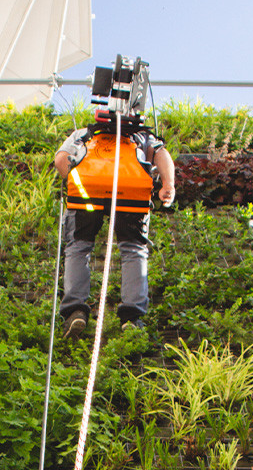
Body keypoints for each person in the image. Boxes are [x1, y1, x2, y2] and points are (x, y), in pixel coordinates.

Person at [53, 111, 175, 336]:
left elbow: (61, 160)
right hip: (131, 193)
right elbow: (161, 154)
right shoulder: (140, 136)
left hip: (87, 194)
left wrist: (77, 187)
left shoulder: (84, 134)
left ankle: (75, 312)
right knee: (133, 249)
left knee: (78, 247)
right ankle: (132, 317)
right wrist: (168, 184)